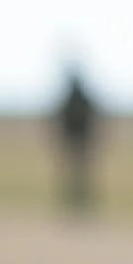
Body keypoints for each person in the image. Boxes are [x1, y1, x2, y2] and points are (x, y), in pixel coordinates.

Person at [52, 64, 99, 212]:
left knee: (78, 173)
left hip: (78, 140)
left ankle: (79, 201)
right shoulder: (78, 98)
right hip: (76, 140)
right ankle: (76, 201)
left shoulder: (76, 98)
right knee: (77, 173)